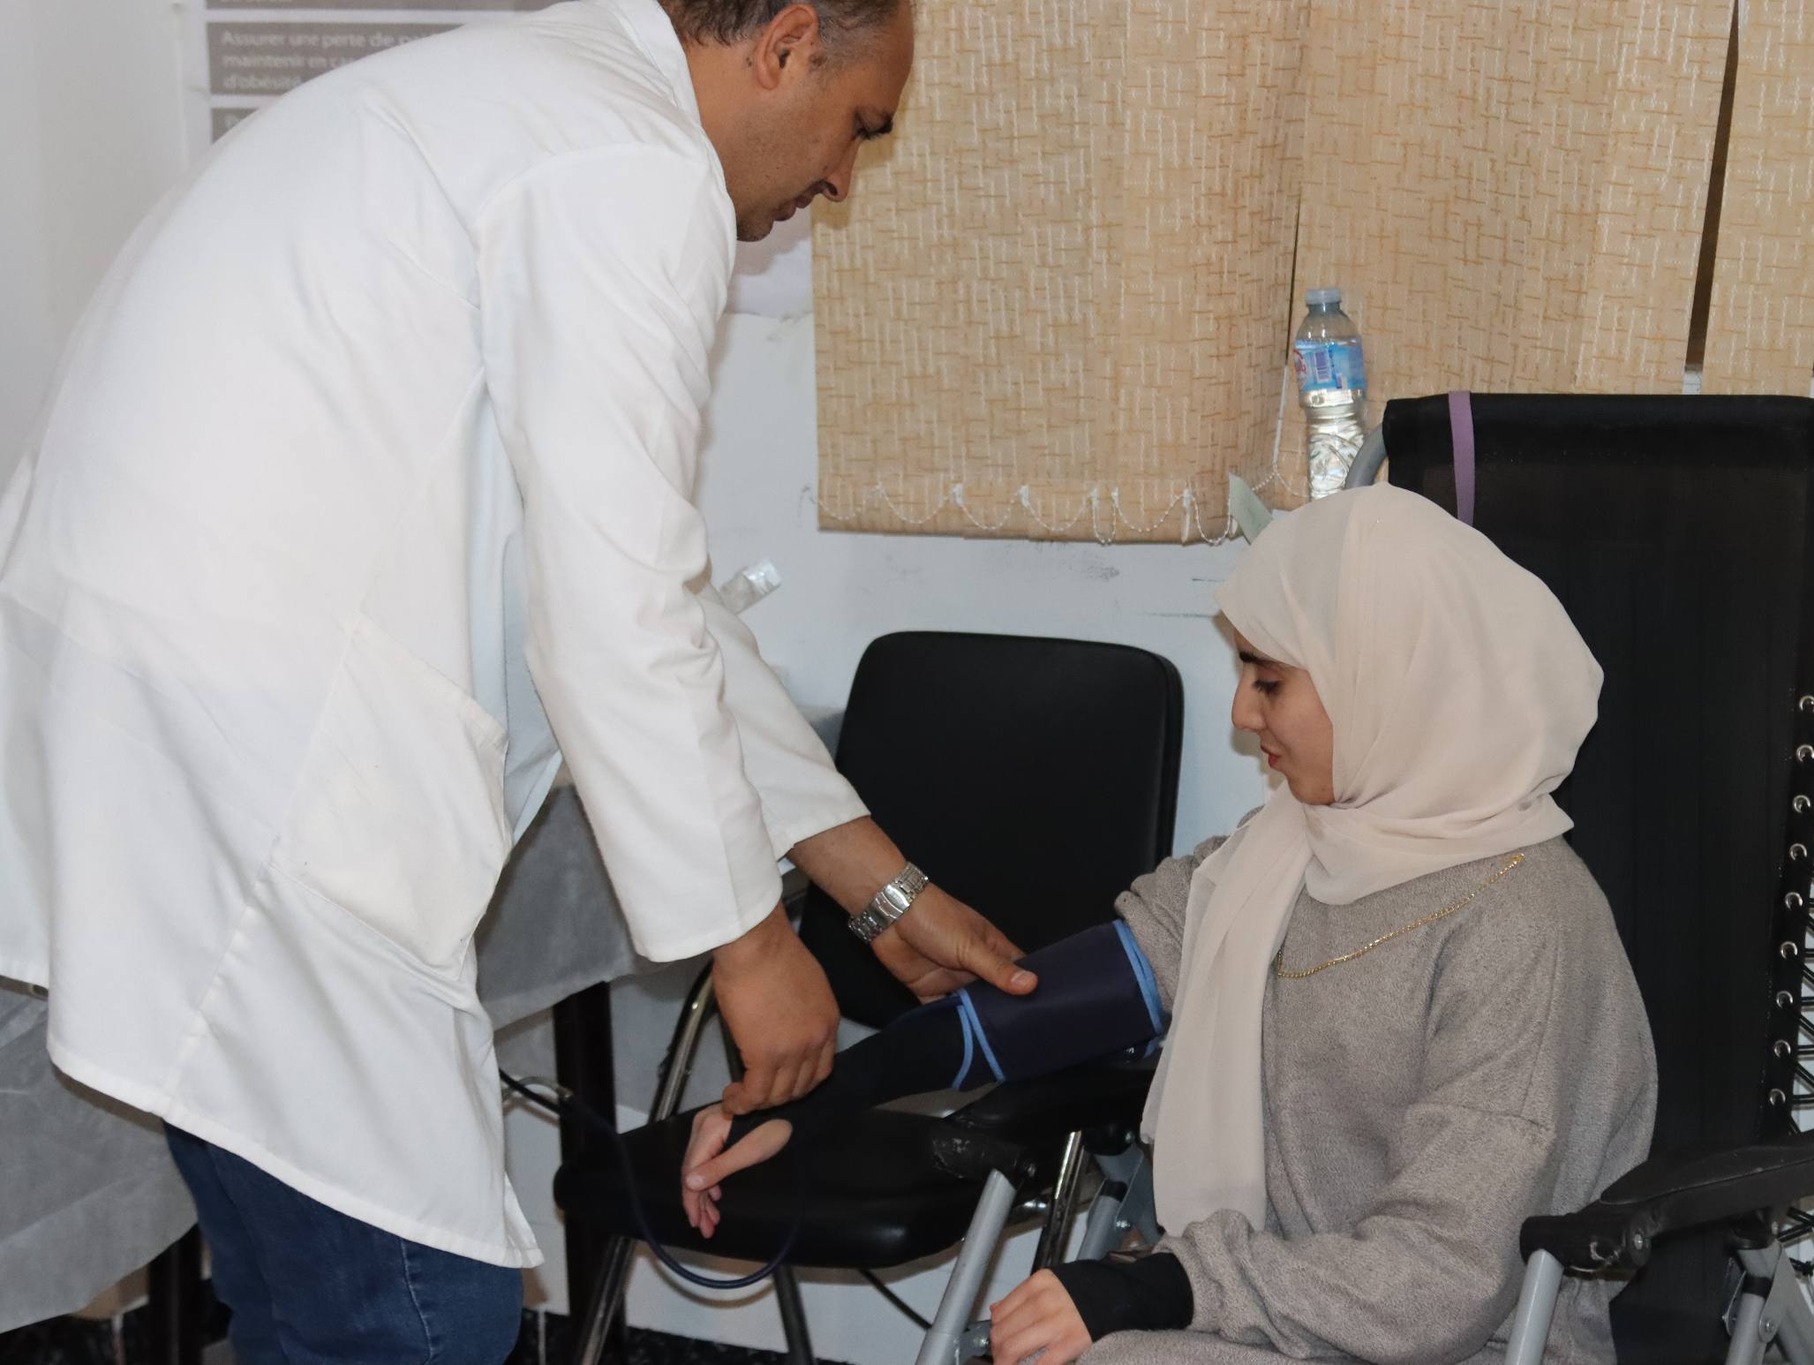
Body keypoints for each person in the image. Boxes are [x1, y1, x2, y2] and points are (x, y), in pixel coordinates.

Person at [0, 1, 1036, 1359]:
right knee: (418, 1314)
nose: (842, 177)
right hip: (263, 773)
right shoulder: (629, 162)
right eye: (859, 125)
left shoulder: (514, 103)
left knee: (307, 1288)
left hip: (148, 740)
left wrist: (876, 888)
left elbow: (637, 588)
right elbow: (615, 607)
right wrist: (750, 944)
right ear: (787, 43)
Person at [680, 485, 1658, 1364]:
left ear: (1382, 679)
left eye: (1269, 681)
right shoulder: (1284, 852)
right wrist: (813, 1101)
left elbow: (1441, 1279)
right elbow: (1067, 999)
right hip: (1272, 1319)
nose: (1241, 712)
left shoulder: (1524, 926)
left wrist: (1158, 1287)